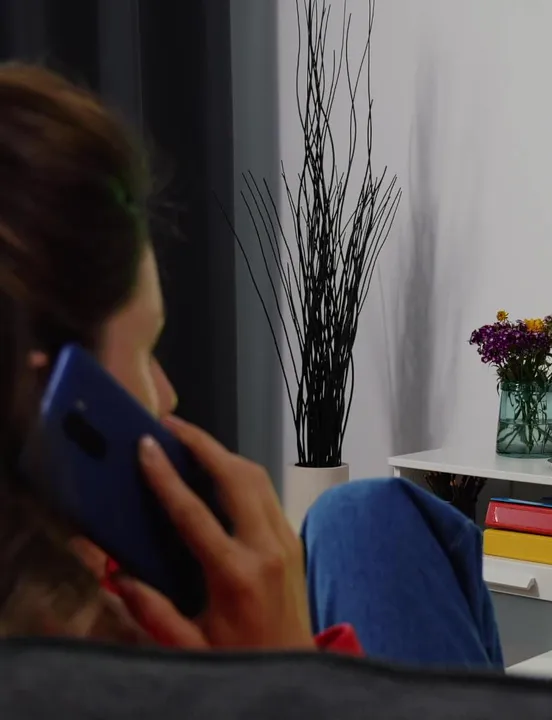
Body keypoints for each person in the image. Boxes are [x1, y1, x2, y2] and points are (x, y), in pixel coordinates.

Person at [0, 62, 502, 667]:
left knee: (360, 513)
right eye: (144, 350)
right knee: (366, 519)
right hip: (292, 689)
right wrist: (281, 667)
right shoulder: (99, 650)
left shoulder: (87, 561)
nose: (166, 394)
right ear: (42, 384)